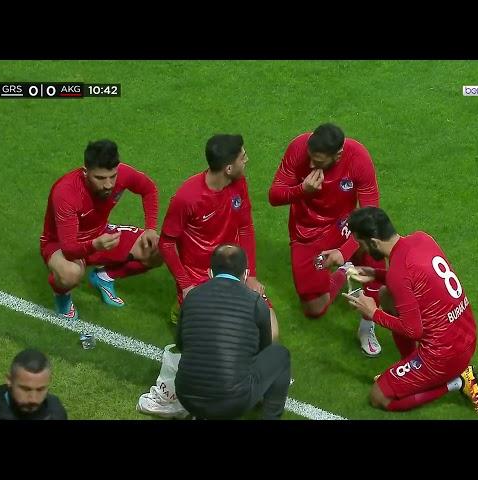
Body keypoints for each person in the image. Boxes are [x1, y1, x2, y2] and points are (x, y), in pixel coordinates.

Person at [343, 207, 478, 414]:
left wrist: (373, 313)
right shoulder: (421, 239)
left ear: (374, 242)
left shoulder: (399, 272)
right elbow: (413, 279)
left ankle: (456, 382)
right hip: (466, 335)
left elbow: (413, 331)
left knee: (378, 397)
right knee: (386, 294)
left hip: (443, 356)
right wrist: (375, 273)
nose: (362, 250)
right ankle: (409, 367)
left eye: (361, 244)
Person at [268, 123, 385, 356]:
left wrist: (346, 248)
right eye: (310, 158)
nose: (311, 164)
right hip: (306, 232)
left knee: (376, 250)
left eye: (319, 161)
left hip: (343, 225)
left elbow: (372, 214)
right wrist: (301, 190)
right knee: (314, 309)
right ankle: (344, 271)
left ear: (338, 155)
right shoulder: (298, 148)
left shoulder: (357, 158)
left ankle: (367, 325)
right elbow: (274, 195)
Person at [40, 139, 162, 320]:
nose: (108, 185)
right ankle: (62, 296)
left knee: (160, 248)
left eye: (112, 176)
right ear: (85, 172)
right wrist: (95, 245)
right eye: (100, 178)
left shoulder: (122, 174)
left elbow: (149, 189)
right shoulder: (66, 192)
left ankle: (104, 277)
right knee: (70, 273)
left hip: (99, 235)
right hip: (60, 243)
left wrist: (151, 228)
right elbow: (69, 248)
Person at [159, 134, 271, 328]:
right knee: (217, 332)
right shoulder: (187, 197)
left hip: (232, 268)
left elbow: (245, 227)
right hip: (198, 275)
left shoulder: (239, 183)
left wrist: (250, 275)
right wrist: (186, 286)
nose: (247, 160)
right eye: (242, 157)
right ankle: (182, 308)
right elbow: (166, 243)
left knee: (267, 324)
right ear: (228, 168)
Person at [175, 244, 290, 420]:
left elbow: (180, 344)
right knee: (280, 355)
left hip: (186, 395)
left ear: (210, 273)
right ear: (245, 274)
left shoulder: (192, 296)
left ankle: (201, 414)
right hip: (231, 402)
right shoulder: (256, 302)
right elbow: (264, 350)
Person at [0, 349, 67, 420]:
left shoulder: (55, 412)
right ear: (9, 380)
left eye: (40, 389)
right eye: (25, 389)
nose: (33, 399)